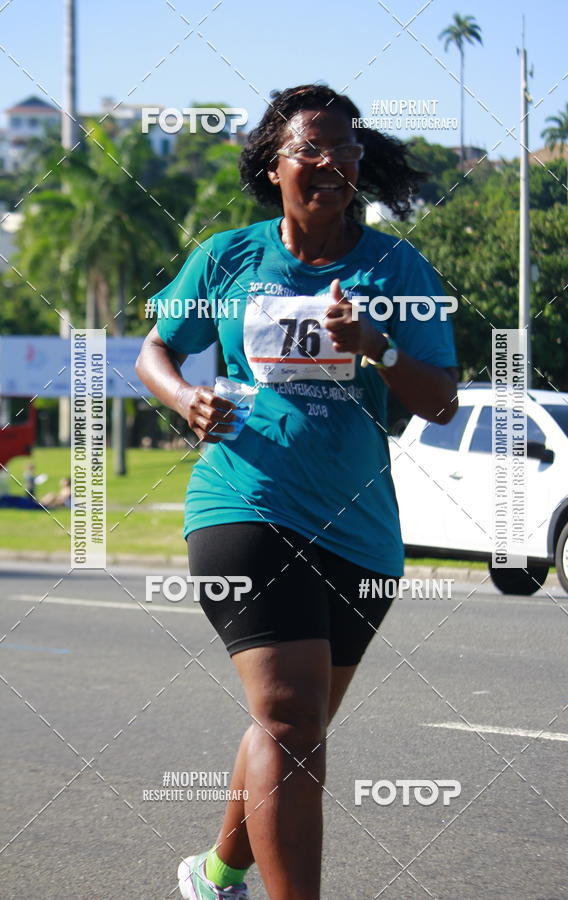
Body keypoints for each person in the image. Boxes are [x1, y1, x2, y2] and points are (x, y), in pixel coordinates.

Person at [136, 84, 458, 900]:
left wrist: (378, 347)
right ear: (273, 166)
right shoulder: (229, 257)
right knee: (290, 720)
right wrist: (185, 399)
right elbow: (153, 354)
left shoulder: (397, 267)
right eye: (309, 150)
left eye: (344, 149)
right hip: (243, 503)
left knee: (293, 728)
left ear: (360, 166)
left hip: (360, 530)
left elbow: (442, 399)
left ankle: (214, 877)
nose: (329, 164)